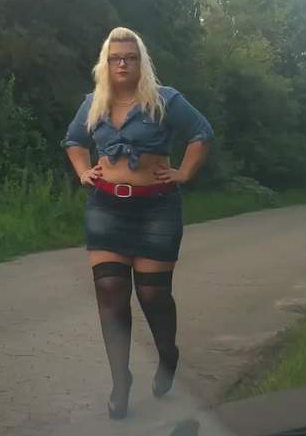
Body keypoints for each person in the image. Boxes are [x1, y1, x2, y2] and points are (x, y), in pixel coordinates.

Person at [61, 27, 214, 419]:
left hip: (156, 209)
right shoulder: (93, 103)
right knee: (110, 291)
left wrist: (184, 173)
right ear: (106, 64)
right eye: (116, 58)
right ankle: (120, 380)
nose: (123, 64)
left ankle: (167, 355)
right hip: (105, 207)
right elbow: (74, 141)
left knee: (152, 295)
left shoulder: (165, 100)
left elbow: (201, 133)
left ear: (141, 62)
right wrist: (83, 171)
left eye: (130, 57)